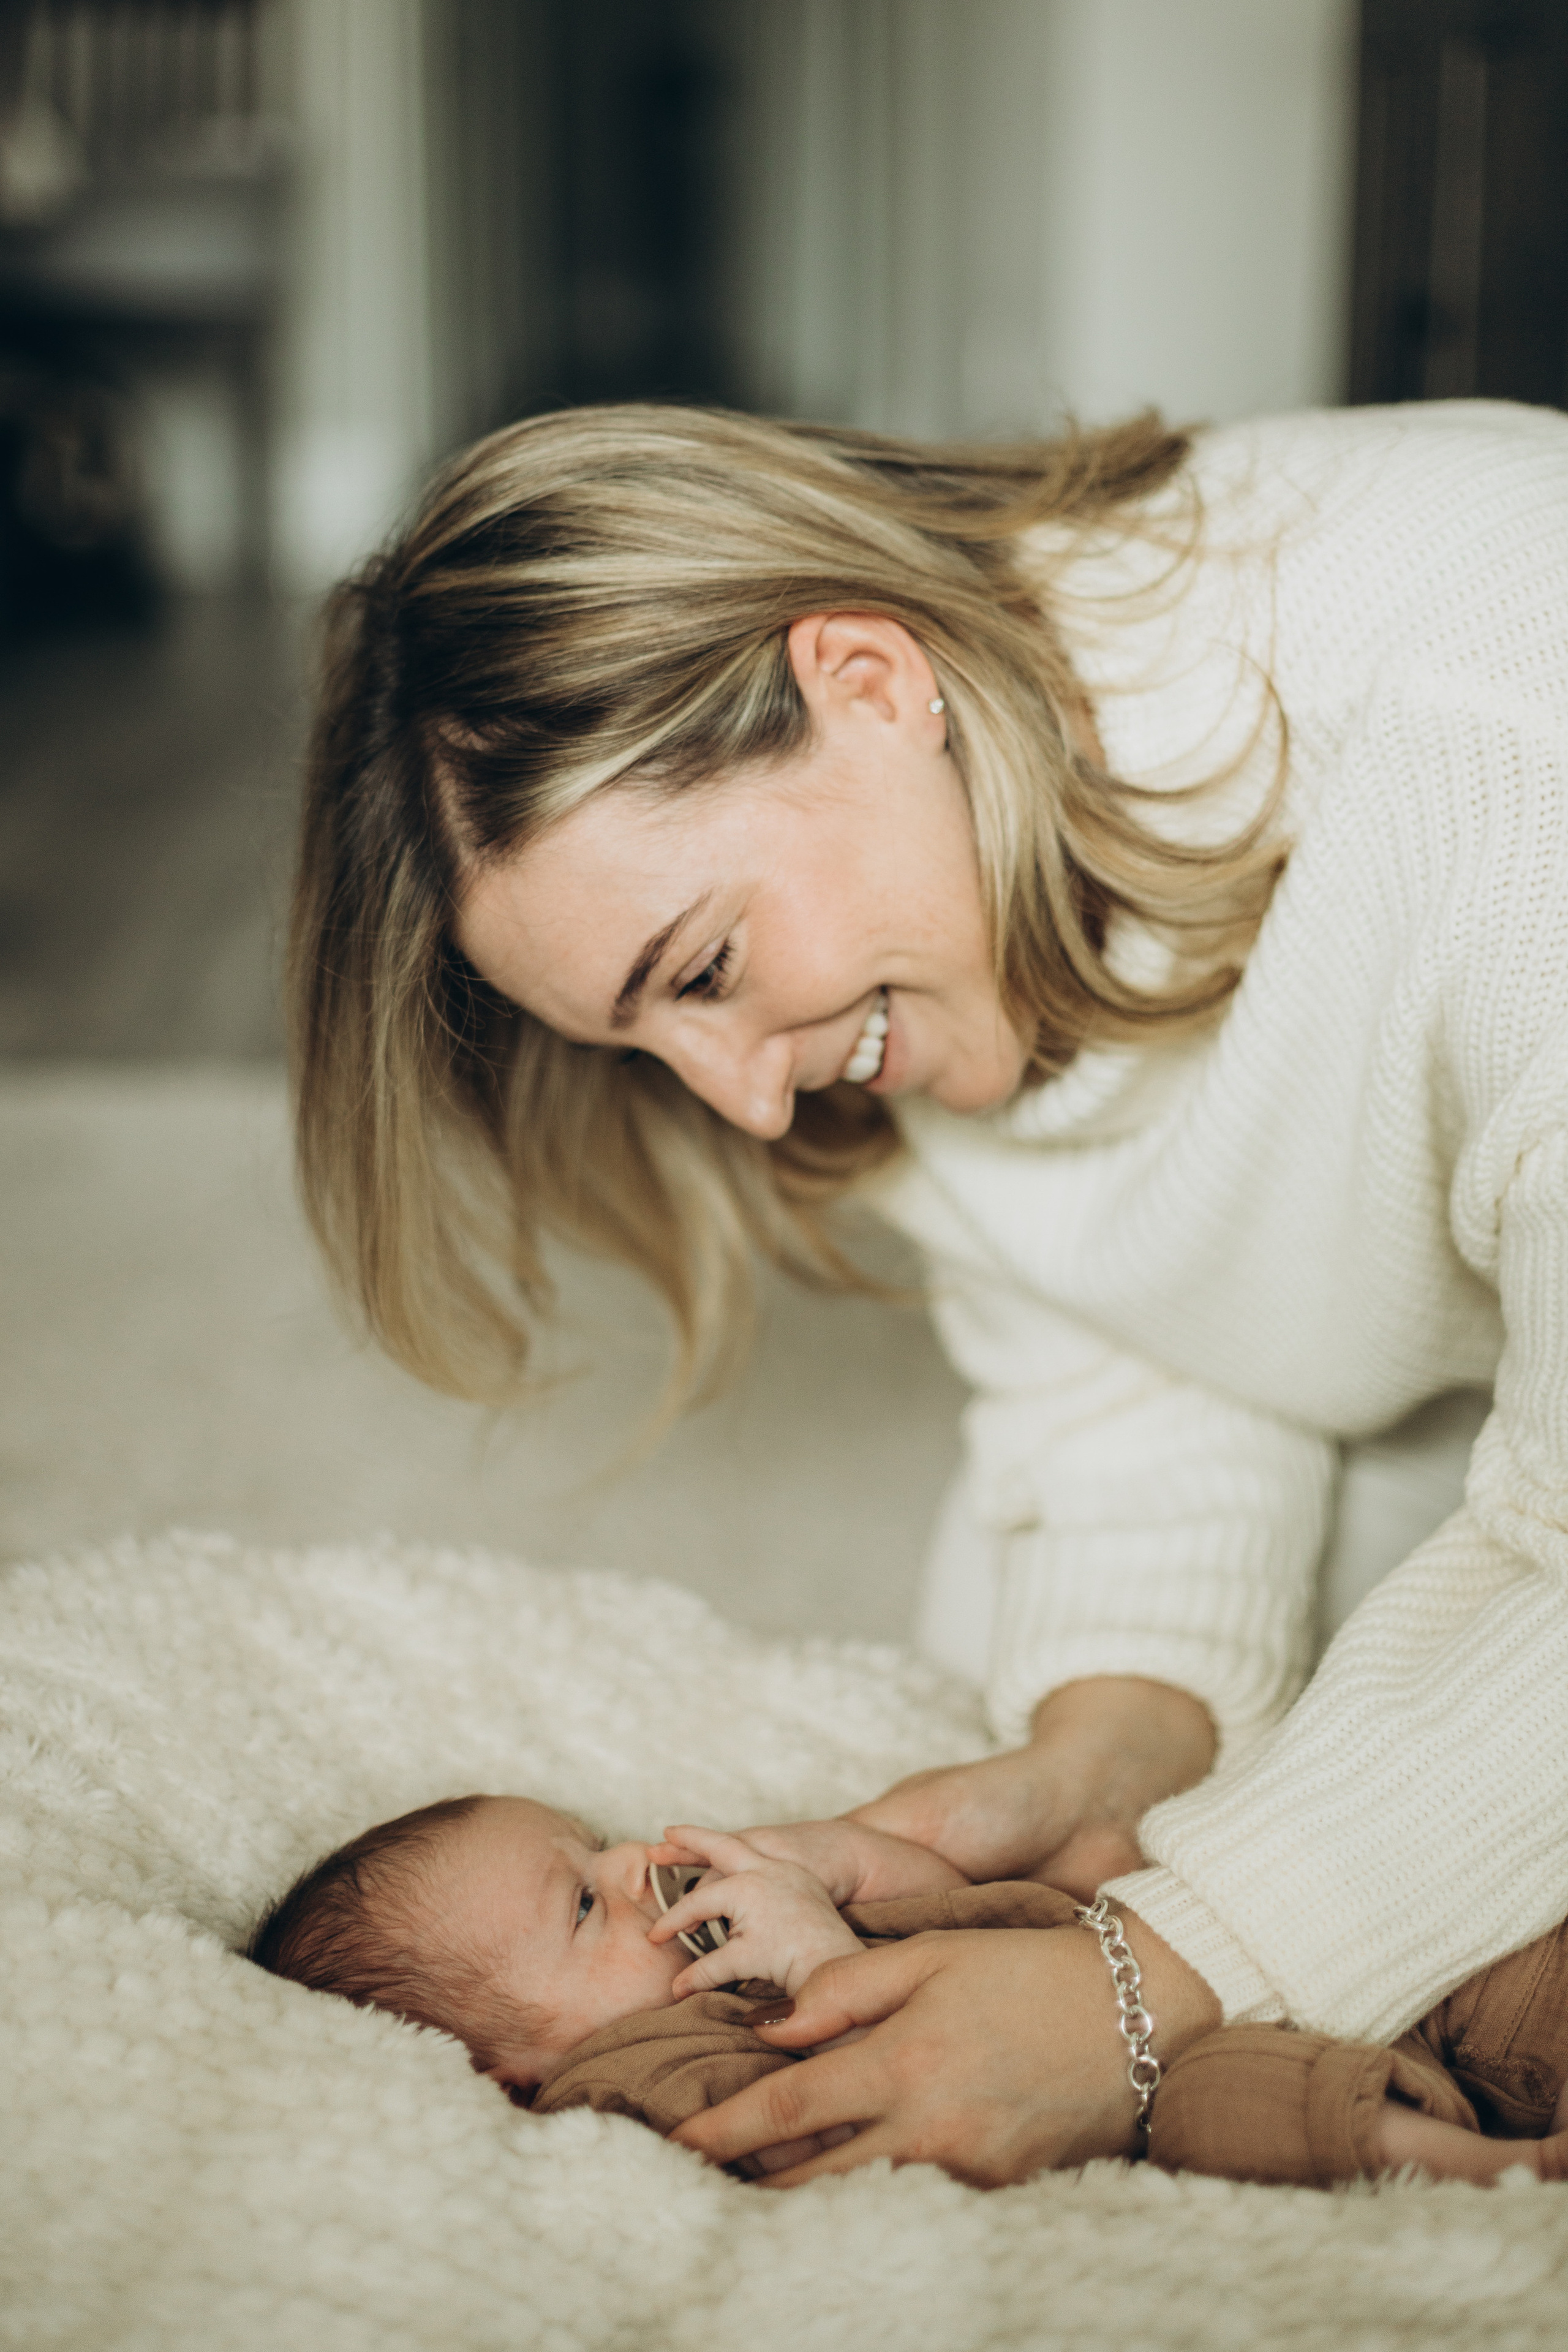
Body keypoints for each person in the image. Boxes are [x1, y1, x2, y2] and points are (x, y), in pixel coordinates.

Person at [287, 395, 1568, 2185]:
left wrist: (1163, 1983)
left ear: (869, 679)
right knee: (1014, 1623)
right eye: (649, 1038)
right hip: (1490, 1317)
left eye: (708, 967)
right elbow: (1144, 1341)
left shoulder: (1506, 735)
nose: (746, 1093)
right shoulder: (921, 878)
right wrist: (1094, 1769)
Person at [247, 1794, 1568, 2188]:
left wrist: (840, 1873)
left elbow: (952, 1899)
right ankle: (1493, 2176)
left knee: (1490, 1936)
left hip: (1235, 1955)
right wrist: (828, 1966)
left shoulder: (731, 1946)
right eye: (582, 1900)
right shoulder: (634, 2086)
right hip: (1196, 2073)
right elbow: (850, 2099)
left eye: (595, 1839)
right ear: (506, 2070)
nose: (632, 1862)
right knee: (1231, 2099)